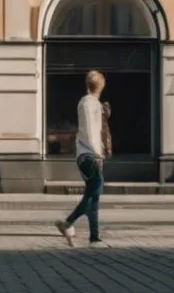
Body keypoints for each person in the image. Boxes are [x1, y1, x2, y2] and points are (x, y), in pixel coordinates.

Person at [54, 70, 107, 248]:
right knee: (95, 192)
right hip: (88, 155)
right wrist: (97, 154)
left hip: (87, 154)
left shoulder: (92, 103)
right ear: (101, 86)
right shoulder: (89, 103)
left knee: (93, 195)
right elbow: (90, 130)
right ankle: (68, 223)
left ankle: (94, 237)